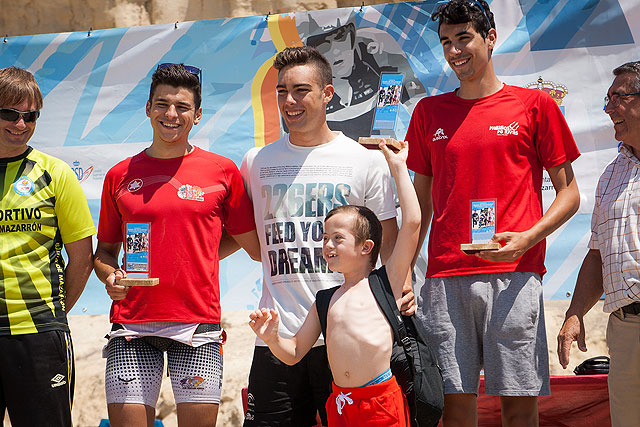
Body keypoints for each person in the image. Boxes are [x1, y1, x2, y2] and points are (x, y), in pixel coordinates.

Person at [405, 1, 580, 426]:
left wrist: (527, 239)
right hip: (445, 276)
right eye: (446, 42)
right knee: (453, 408)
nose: (454, 51)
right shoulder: (428, 112)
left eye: (464, 38)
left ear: (491, 38)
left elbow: (570, 194)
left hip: (514, 274)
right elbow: (419, 206)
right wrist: (404, 269)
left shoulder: (535, 105)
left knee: (519, 408)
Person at [240, 46, 413, 426]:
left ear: (327, 94)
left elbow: (390, 238)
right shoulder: (256, 161)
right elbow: (241, 236)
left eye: (301, 90)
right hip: (278, 335)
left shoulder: (365, 160)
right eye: (282, 91)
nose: (290, 100)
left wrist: (404, 286)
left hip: (346, 337)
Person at [93, 63, 260, 427]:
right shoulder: (119, 174)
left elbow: (251, 242)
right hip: (132, 326)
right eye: (162, 104)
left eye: (182, 107)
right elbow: (104, 252)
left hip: (197, 326)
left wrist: (202, 254)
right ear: (148, 108)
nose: (171, 114)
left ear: (197, 115)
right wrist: (110, 277)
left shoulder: (222, 171)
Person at [249, 139, 420, 427]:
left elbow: (412, 222)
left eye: (337, 238)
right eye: (325, 237)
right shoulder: (325, 300)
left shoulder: (385, 284)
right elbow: (294, 353)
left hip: (380, 403)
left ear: (366, 247)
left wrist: (399, 167)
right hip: (340, 405)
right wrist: (272, 339)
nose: (327, 245)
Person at [0, 66, 95, 426]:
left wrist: (53, 315)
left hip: (39, 334)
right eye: (10, 113)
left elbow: (82, 259)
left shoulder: (55, 173)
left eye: (30, 116)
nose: (20, 124)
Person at [557, 61, 640, 427]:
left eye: (618, 97)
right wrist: (575, 313)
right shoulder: (611, 175)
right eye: (607, 99)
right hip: (624, 329)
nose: (608, 109)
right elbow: (597, 254)